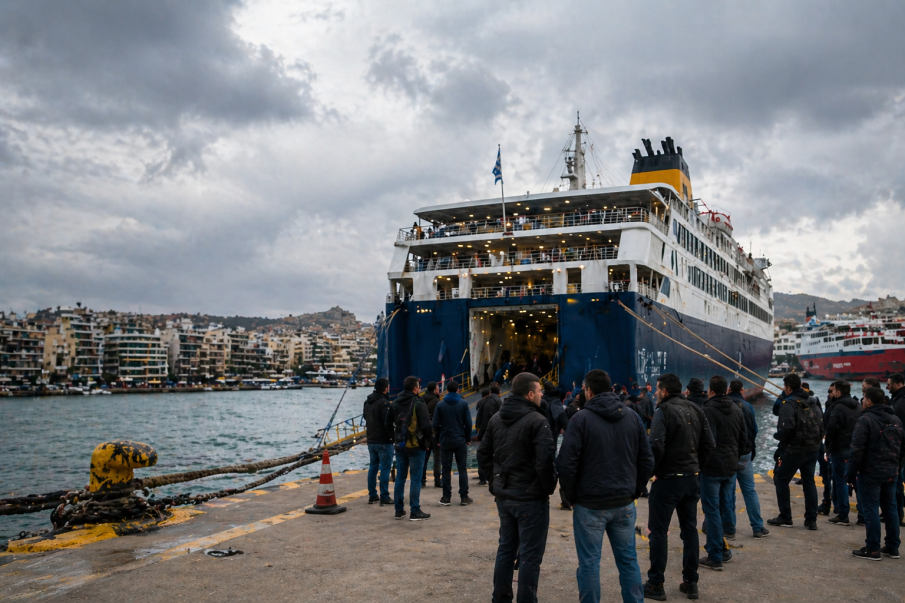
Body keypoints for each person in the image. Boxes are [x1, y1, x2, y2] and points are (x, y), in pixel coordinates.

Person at [557, 369, 654, 603]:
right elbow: (647, 459)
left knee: (589, 563)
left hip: (589, 503)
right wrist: (635, 489)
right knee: (629, 560)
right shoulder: (632, 417)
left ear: (588, 390)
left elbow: (566, 463)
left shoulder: (580, 419)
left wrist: (569, 497)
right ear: (611, 389)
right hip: (623, 501)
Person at [477, 372, 556, 603]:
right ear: (530, 394)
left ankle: (500, 598)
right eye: (540, 391)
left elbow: (483, 453)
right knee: (530, 556)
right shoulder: (538, 421)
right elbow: (546, 461)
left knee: (506, 550)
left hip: (505, 496)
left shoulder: (496, 419)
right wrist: (547, 488)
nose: (542, 394)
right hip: (531, 499)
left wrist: (495, 481)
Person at [645, 373, 715, 601]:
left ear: (664, 391)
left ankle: (656, 584)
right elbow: (709, 444)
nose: (655, 392)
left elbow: (655, 445)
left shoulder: (663, 411)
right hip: (691, 479)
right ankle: (691, 582)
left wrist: (652, 473)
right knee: (690, 531)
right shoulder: (696, 409)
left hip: (667, 480)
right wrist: (697, 467)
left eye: (657, 389)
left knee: (658, 532)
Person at [846, 387, 904, 560]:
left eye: (864, 399)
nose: (862, 402)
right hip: (891, 471)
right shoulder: (896, 419)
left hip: (870, 472)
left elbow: (856, 449)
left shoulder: (865, 420)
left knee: (871, 508)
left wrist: (850, 474)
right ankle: (893, 547)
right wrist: (898, 466)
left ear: (869, 401)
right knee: (890, 508)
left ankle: (872, 548)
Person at [699, 375, 746, 570]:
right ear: (726, 390)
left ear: (710, 391)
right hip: (730, 466)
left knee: (711, 512)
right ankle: (722, 549)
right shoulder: (737, 409)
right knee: (722, 508)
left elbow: (706, 442)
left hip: (712, 468)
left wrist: (701, 463)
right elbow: (744, 439)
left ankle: (715, 555)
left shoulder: (707, 410)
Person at [768, 373, 824, 530]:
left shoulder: (788, 404)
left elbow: (786, 428)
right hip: (813, 448)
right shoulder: (813, 402)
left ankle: (785, 516)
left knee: (780, 478)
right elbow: (822, 424)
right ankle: (811, 519)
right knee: (809, 482)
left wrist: (779, 437)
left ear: (788, 388)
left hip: (794, 449)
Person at [385, 376, 433, 521]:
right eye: (418, 387)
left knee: (400, 477)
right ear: (415, 389)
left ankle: (399, 510)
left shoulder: (394, 403)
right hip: (416, 447)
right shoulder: (419, 403)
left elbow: (387, 423)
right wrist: (427, 441)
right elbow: (426, 426)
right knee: (415, 479)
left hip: (400, 446)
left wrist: (393, 437)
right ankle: (415, 510)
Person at [726, 379, 768, 538]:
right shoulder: (748, 407)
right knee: (749, 491)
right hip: (745, 454)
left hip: (729, 454)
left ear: (729, 390)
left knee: (729, 492)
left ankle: (730, 529)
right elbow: (754, 429)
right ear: (742, 390)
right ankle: (757, 527)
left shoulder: (726, 406)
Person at [432, 380, 474, 506]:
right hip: (460, 440)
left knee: (446, 469)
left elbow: (435, 424)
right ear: (458, 390)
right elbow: (468, 423)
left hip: (445, 440)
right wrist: (467, 438)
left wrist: (439, 438)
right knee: (462, 469)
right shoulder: (463, 403)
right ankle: (464, 496)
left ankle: (446, 497)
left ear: (447, 390)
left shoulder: (440, 405)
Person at [824, 380, 860, 526]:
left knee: (840, 480)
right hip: (855, 447)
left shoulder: (838, 407)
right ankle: (862, 515)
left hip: (840, 448)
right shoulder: (858, 406)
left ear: (838, 392)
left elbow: (831, 428)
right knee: (857, 482)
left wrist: (828, 447)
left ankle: (843, 514)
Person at [363, 378, 394, 506]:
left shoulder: (367, 402)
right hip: (383, 440)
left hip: (371, 440)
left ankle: (372, 495)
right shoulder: (384, 403)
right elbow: (388, 422)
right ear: (385, 388)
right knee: (385, 469)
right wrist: (392, 436)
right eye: (388, 386)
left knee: (373, 467)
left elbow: (365, 417)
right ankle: (385, 496)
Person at [887, 373, 905, 527]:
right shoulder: (897, 400)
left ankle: (897, 514)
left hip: (898, 448)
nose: (887, 387)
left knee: (897, 481)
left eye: (889, 384)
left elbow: (898, 428)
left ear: (897, 384)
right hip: (899, 448)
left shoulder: (900, 403)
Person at [475, 388, 500, 486]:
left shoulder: (483, 402)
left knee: (483, 453)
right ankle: (487, 476)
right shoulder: (496, 401)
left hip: (485, 431)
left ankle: (483, 476)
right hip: (492, 432)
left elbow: (480, 417)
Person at [422, 381, 442, 488]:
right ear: (434, 390)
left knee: (424, 457)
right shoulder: (437, 401)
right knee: (437, 457)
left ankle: (422, 480)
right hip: (435, 432)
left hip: (424, 432)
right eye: (438, 388)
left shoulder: (421, 399)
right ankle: (437, 481)